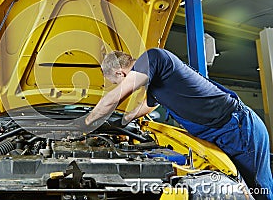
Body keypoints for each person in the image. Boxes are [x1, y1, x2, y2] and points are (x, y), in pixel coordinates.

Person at [85, 48, 273, 200]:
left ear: (120, 72)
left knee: (258, 190)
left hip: (238, 129)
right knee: (243, 187)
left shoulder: (152, 57)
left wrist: (85, 123)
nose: (117, 84)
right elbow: (146, 107)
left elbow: (114, 98)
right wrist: (122, 121)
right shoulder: (155, 84)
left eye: (115, 81)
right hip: (223, 133)